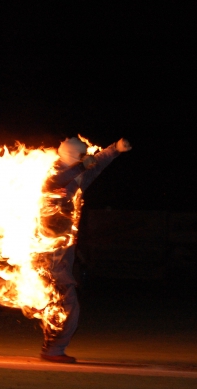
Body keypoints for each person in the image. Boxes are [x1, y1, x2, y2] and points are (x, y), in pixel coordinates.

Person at [38, 136, 132, 363]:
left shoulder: (77, 176)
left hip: (60, 250)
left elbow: (95, 165)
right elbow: (59, 179)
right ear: (74, 158)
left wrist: (115, 149)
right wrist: (83, 164)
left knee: (49, 299)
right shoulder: (50, 174)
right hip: (50, 252)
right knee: (66, 304)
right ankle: (53, 350)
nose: (87, 159)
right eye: (82, 157)